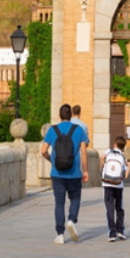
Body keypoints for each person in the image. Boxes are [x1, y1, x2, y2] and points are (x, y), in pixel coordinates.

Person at [40, 103, 89, 244]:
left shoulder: (52, 130)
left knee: (59, 203)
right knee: (75, 199)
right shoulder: (79, 130)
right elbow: (84, 153)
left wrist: (52, 161)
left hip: (57, 173)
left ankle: (60, 234)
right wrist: (85, 170)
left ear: (59, 116)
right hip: (74, 173)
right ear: (71, 115)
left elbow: (43, 151)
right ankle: (72, 220)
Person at [100, 136, 130, 242]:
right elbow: (125, 176)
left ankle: (112, 232)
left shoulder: (108, 152)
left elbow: (102, 158)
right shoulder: (123, 156)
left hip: (107, 183)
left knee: (109, 208)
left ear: (115, 144)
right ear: (123, 147)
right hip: (118, 184)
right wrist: (129, 166)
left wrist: (102, 169)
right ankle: (120, 230)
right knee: (119, 208)